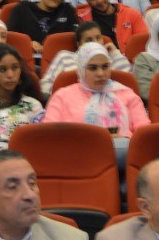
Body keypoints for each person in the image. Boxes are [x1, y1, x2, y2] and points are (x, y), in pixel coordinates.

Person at [43, 42, 150, 170]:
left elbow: (145, 135)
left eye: (105, 67)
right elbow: (49, 136)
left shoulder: (127, 94)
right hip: (76, 161)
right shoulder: (62, 96)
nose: (100, 73)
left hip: (123, 161)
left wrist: (124, 139)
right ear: (81, 69)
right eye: (93, 68)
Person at [40, 20, 132, 97]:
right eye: (89, 40)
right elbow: (45, 85)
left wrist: (115, 54)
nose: (95, 43)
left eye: (98, 38)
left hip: (107, 104)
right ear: (79, 44)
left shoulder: (111, 57)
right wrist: (63, 98)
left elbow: (129, 84)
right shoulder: (64, 57)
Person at [7, 0, 78, 55]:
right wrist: (27, 43)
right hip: (27, 56)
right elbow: (11, 38)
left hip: (59, 57)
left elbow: (74, 39)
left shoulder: (67, 10)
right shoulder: (22, 9)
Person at [79, 0, 147, 50]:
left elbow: (143, 43)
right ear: (87, 0)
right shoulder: (81, 19)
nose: (99, 1)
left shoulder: (132, 14)